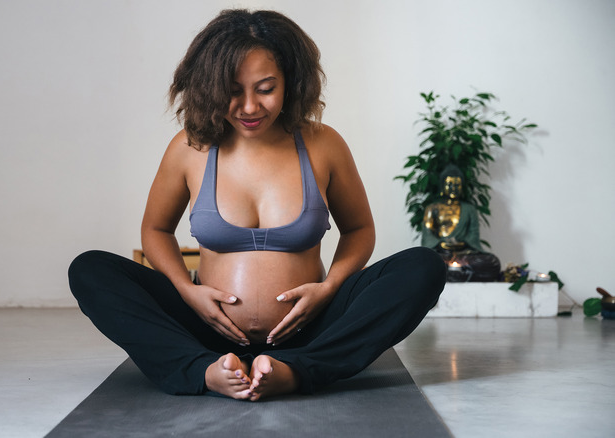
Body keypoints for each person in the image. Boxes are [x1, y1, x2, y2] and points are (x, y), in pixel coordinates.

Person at [69, 9, 446, 401]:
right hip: (206, 329)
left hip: (311, 328)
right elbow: (156, 230)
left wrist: (329, 288)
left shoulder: (323, 144)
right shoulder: (189, 147)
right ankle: (203, 369)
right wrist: (187, 291)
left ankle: (296, 369)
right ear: (210, 87)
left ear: (291, 83)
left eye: (265, 88)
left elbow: (359, 230)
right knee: (90, 270)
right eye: (233, 91)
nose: (249, 107)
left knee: (423, 267)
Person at [421, 164, 501, 281]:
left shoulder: (469, 209)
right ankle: (460, 273)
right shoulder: (432, 208)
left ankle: (450, 273)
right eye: (450, 184)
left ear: (462, 187)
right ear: (443, 186)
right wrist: (441, 244)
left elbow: (474, 235)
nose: (454, 188)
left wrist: (462, 244)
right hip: (441, 253)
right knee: (425, 260)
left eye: (457, 185)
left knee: (492, 262)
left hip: (463, 254)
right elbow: (427, 235)